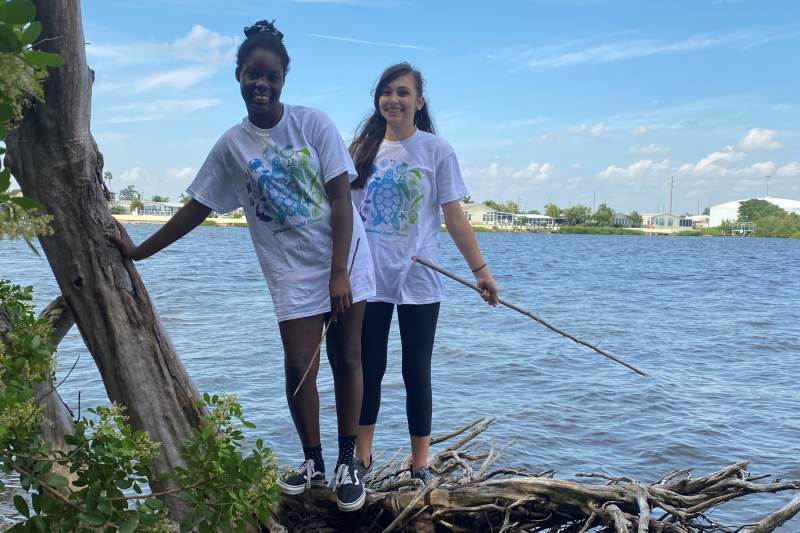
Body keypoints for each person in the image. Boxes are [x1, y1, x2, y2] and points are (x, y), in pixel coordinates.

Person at [110, 20, 374, 512]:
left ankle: (348, 462)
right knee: (299, 367)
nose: (262, 84)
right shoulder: (232, 145)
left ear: (284, 79)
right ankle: (313, 461)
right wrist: (139, 251)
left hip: (345, 256)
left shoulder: (312, 124)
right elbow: (197, 207)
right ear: (238, 76)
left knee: (348, 357)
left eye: (271, 76)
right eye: (253, 74)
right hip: (292, 269)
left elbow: (341, 198)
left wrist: (339, 271)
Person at [348, 63, 499, 484]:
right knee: (368, 367)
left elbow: (453, 215)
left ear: (419, 100)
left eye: (402, 92)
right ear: (377, 99)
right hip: (370, 277)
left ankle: (420, 465)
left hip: (420, 278)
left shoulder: (437, 150)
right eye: (386, 92)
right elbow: (346, 214)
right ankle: (362, 458)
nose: (393, 99)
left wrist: (480, 272)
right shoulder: (361, 149)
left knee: (416, 370)